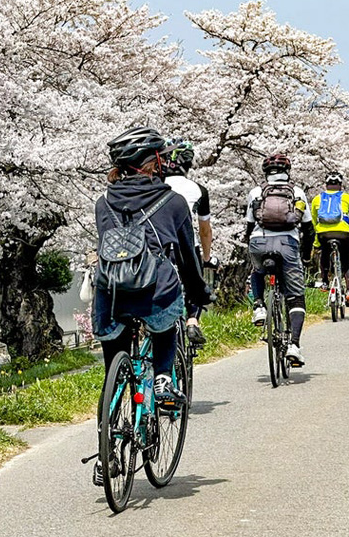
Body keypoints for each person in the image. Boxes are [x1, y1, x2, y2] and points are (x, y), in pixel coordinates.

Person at [92, 126, 211, 484]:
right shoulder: (173, 202)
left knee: (113, 375)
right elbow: (187, 258)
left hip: (111, 294)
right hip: (155, 290)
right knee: (165, 324)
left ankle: (106, 455)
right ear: (154, 162)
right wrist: (199, 294)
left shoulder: (103, 202)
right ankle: (162, 378)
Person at [244, 153, 314, 366]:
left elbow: (249, 226)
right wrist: (306, 255)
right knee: (296, 296)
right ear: (287, 171)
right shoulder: (297, 192)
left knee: (257, 271)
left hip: (259, 241)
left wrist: (253, 246)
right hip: (287, 244)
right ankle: (294, 345)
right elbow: (308, 229)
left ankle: (259, 306)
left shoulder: (256, 192)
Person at [163, 139, 214, 346]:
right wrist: (206, 257)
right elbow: (205, 230)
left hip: (158, 247)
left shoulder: (153, 186)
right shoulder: (198, 190)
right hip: (185, 247)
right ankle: (192, 320)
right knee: (195, 283)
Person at [309, 171, 349, 309]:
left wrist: (316, 243)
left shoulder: (317, 199)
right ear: (340, 185)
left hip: (323, 234)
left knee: (324, 253)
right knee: (348, 259)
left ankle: (324, 281)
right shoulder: (348, 198)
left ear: (326, 185)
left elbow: (314, 223)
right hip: (343, 234)